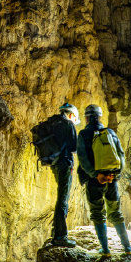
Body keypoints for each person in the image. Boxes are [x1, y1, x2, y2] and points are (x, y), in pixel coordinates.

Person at [77, 104, 131, 255]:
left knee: (97, 212)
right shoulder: (110, 132)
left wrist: (95, 175)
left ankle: (105, 249)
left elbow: (83, 159)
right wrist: (115, 175)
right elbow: (121, 155)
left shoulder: (83, 134)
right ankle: (127, 248)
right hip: (111, 179)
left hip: (95, 180)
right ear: (100, 117)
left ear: (87, 118)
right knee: (115, 212)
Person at [50, 102, 80, 247]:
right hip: (65, 164)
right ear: (71, 114)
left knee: (60, 197)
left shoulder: (52, 123)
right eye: (74, 117)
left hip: (54, 164)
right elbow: (74, 147)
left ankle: (56, 231)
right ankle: (60, 236)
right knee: (63, 199)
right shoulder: (68, 124)